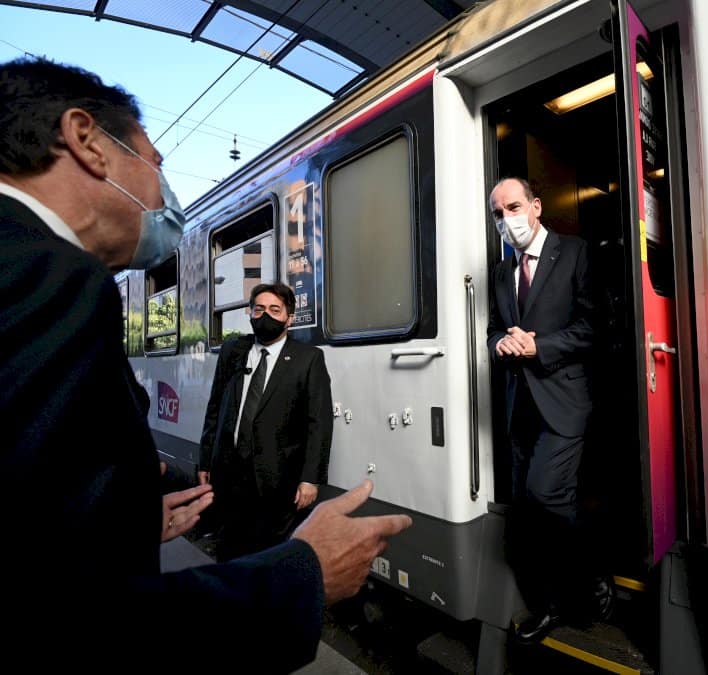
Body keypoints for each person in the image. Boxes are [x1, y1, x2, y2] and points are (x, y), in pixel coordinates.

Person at [0, 55, 411, 672]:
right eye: (155, 164)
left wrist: (121, 521)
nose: (163, 193)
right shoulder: (49, 277)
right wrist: (300, 577)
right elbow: (63, 617)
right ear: (87, 141)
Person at [486, 176, 613, 642]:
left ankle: (590, 576)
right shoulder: (501, 273)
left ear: (536, 207)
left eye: (513, 208)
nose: (506, 220)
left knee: (547, 496)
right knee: (528, 510)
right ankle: (548, 605)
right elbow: (494, 329)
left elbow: (595, 326)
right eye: (498, 213)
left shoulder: (575, 252)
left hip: (564, 401)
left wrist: (539, 346)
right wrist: (501, 343)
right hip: (519, 408)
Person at [198, 281, 334, 561]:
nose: (266, 316)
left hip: (277, 479)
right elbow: (215, 409)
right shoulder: (233, 351)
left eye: (275, 309)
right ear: (249, 313)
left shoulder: (307, 359)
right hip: (231, 473)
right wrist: (205, 460)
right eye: (259, 309)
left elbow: (318, 423)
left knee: (269, 556)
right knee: (230, 552)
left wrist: (310, 479)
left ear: (289, 318)